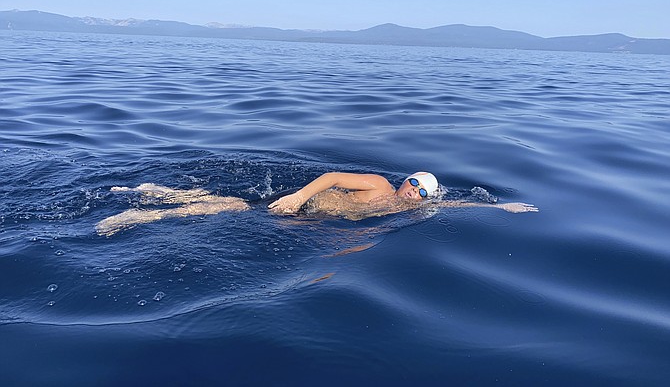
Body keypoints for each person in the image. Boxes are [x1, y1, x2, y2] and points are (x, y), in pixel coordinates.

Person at [95, 172, 537, 237]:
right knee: (228, 205)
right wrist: (298, 196)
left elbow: (458, 206)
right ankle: (146, 206)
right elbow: (330, 177)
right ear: (406, 181)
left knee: (229, 204)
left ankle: (152, 194)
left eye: (423, 194)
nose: (414, 195)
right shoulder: (379, 184)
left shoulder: (409, 211)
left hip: (313, 220)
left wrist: (501, 209)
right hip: (302, 205)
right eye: (414, 186)